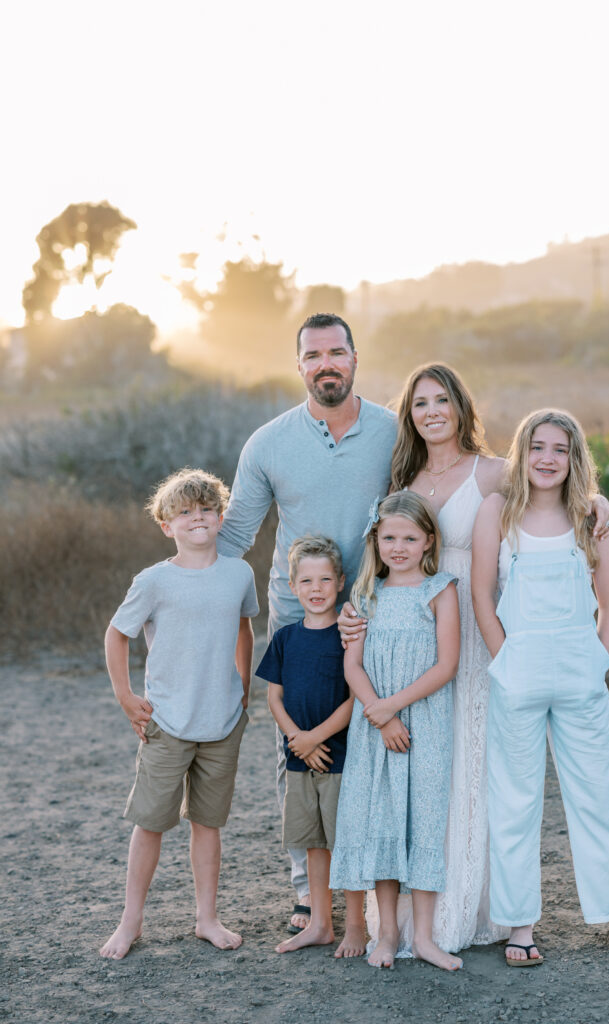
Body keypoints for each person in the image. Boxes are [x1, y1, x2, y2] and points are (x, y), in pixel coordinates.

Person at [339, 364, 609, 956]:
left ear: (463, 407)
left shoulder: (494, 471)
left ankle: (479, 908)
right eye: (420, 403)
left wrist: (599, 498)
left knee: (476, 767)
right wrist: (353, 611)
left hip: (486, 630)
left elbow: (556, 481)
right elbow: (386, 550)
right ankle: (418, 918)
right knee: (424, 765)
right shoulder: (402, 475)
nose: (432, 411)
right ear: (410, 415)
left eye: (443, 400)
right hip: (420, 631)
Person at [216, 312, 397, 932]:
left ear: (354, 357)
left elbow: (447, 488)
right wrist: (176, 573)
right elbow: (237, 533)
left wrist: (574, 496)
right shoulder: (268, 443)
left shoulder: (393, 433)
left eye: (336, 352)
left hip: (380, 613)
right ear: (299, 366)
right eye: (313, 355)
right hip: (300, 622)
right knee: (299, 750)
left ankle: (369, 887)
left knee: (374, 742)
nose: (326, 364)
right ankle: (306, 891)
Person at [471, 409, 609, 965]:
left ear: (575, 459)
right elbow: (482, 595)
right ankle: (521, 923)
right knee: (515, 800)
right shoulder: (497, 512)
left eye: (561, 449)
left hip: (580, 674)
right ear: (521, 453)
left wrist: (595, 660)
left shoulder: (589, 518)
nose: (548, 459)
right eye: (538, 447)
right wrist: (506, 659)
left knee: (599, 795)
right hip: (517, 672)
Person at [100, 469, 258, 960]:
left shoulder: (239, 572)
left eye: (206, 510)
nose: (197, 518)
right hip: (167, 722)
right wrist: (126, 696)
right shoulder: (154, 581)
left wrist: (243, 685)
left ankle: (206, 918)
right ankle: (131, 922)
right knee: (149, 822)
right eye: (184, 512)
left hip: (223, 722)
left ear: (220, 516)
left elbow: (244, 630)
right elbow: (116, 635)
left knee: (207, 824)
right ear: (166, 524)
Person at [330, 492, 463, 972]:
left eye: (410, 537)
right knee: (383, 820)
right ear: (376, 540)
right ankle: (386, 934)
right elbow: (352, 665)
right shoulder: (366, 595)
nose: (399, 547)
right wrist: (380, 715)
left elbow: (446, 665)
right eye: (389, 537)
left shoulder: (441, 589)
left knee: (424, 819)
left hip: (423, 723)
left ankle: (424, 938)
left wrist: (394, 708)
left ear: (429, 541)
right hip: (375, 728)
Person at [257, 535, 366, 958]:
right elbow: (273, 698)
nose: (316, 588)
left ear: (340, 582)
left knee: (346, 842)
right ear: (292, 585)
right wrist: (297, 741)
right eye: (307, 580)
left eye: (325, 579)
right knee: (314, 843)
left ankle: (355, 925)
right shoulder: (285, 638)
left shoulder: (348, 635)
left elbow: (355, 699)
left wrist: (315, 737)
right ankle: (321, 923)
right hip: (301, 760)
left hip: (339, 759)